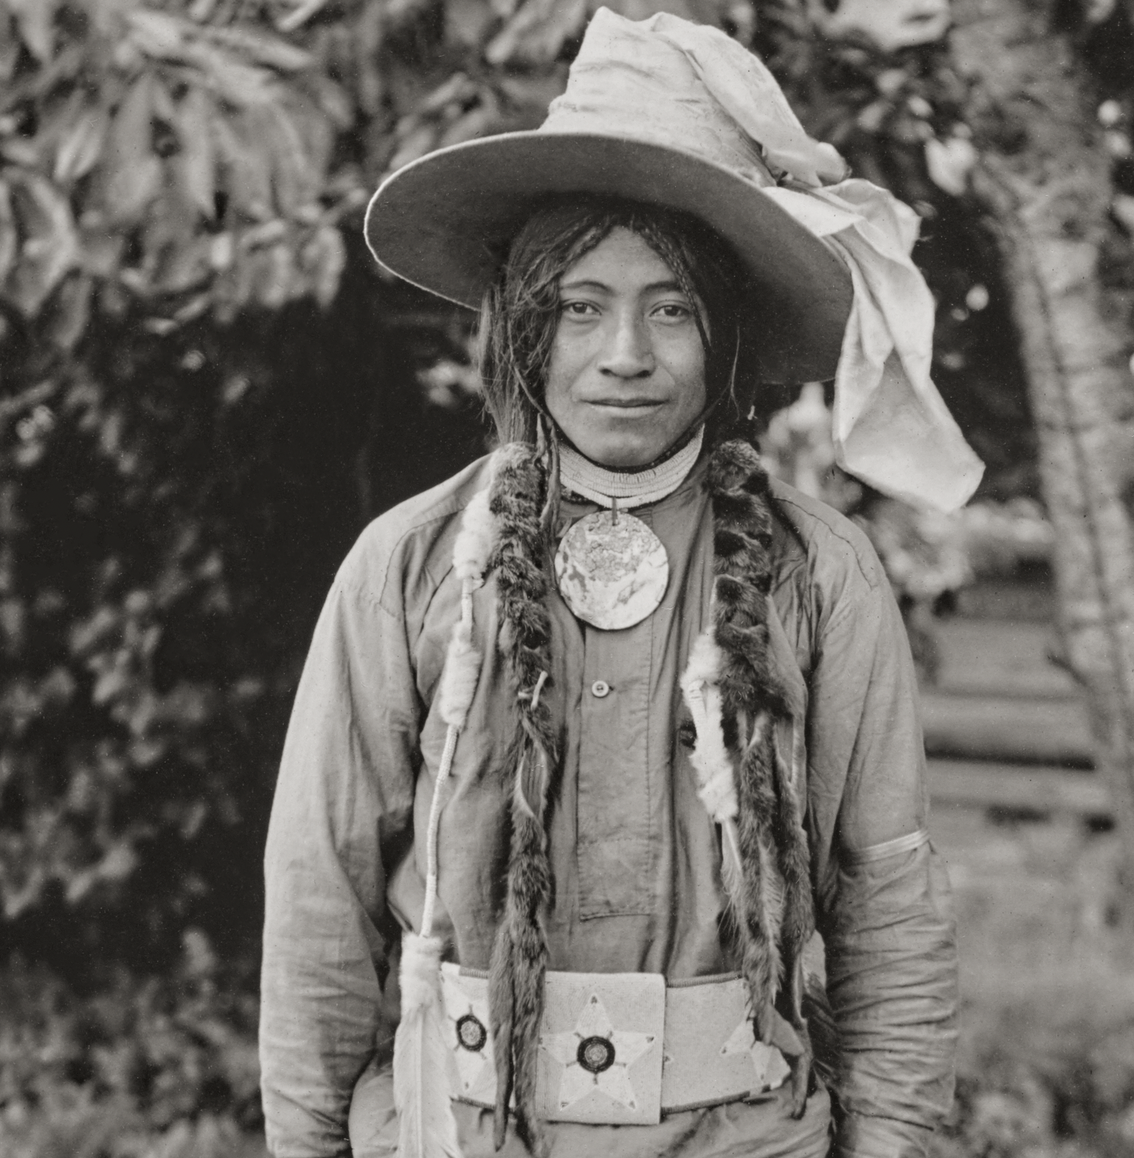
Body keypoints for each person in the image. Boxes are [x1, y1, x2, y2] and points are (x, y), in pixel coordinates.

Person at [259, 9, 982, 1158]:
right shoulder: (406, 565)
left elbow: (886, 901)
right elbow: (319, 897)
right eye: (579, 306)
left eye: (673, 307)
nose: (626, 355)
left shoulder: (820, 573)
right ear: (519, 329)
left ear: (728, 331)